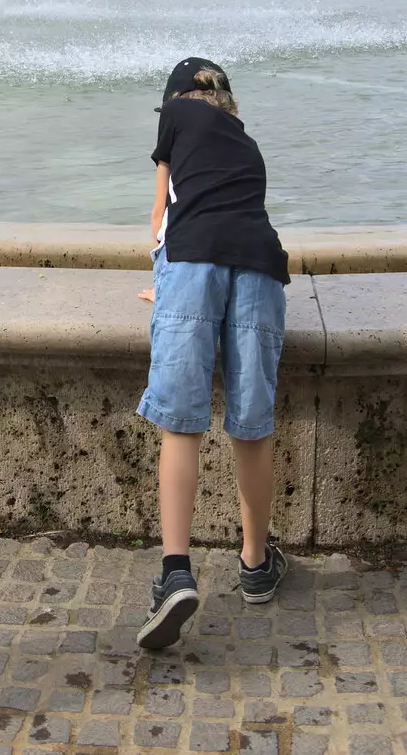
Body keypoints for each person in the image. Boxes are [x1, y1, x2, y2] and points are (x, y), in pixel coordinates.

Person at [135, 57, 291, 650]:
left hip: (193, 263)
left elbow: (162, 218)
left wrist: (165, 282)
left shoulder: (174, 118)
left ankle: (176, 572)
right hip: (260, 268)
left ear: (176, 99)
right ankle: (255, 564)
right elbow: (232, 211)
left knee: (181, 423)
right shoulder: (244, 141)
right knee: (250, 425)